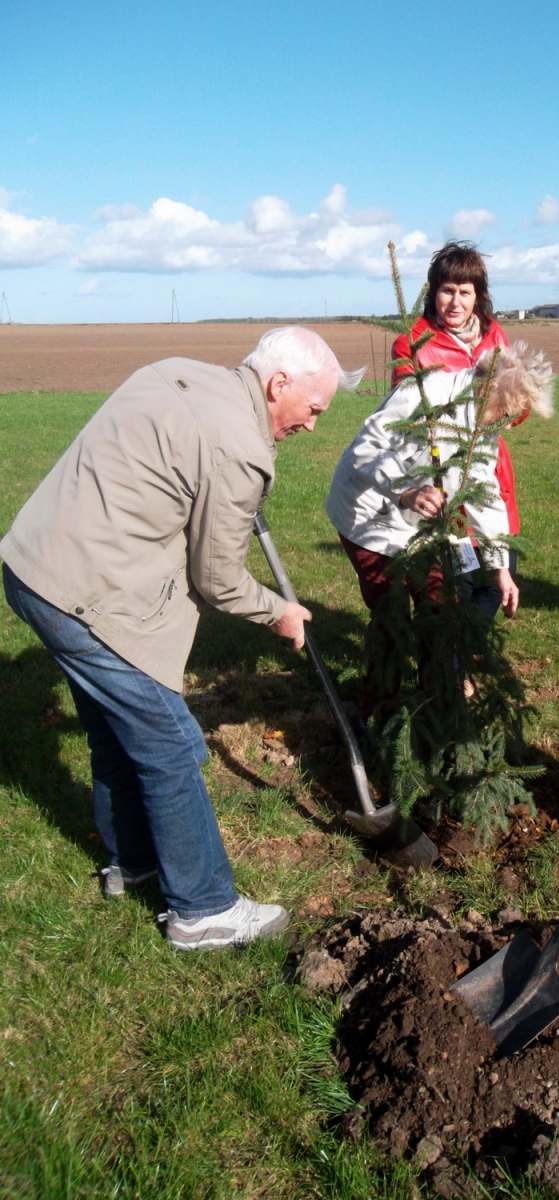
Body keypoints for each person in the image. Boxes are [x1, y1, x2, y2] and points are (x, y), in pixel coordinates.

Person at [1, 327, 364, 950]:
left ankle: (132, 859)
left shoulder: (181, 372)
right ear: (279, 384)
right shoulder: (239, 449)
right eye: (314, 408)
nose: (311, 425)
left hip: (32, 566)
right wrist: (277, 611)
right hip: (85, 594)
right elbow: (218, 580)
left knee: (117, 728)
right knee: (172, 744)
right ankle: (202, 909)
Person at [326, 342, 553, 718]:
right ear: (488, 390)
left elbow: (485, 493)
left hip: (425, 527)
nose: (507, 422)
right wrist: (406, 490)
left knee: (442, 608)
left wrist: (500, 567)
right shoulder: (423, 394)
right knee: (391, 615)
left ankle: (436, 706)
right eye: (508, 411)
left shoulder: (485, 420)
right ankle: (379, 713)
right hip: (369, 516)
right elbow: (366, 450)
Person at [391, 241, 519, 618]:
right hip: (439, 473)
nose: (456, 302)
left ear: (478, 295)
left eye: (466, 292)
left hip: (489, 468)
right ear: (434, 292)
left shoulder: (494, 336)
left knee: (497, 578)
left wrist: (513, 410)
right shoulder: (413, 342)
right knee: (452, 586)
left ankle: (465, 659)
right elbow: (409, 415)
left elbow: (512, 399)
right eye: (448, 290)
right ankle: (452, 670)